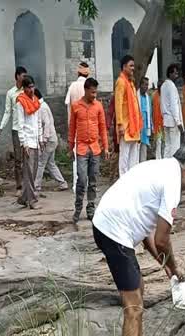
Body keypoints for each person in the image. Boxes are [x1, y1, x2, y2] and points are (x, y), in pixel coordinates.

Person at [92, 145, 185, 336]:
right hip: (113, 231)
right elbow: (163, 238)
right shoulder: (174, 181)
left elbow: (146, 233)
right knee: (133, 308)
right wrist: (176, 269)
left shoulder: (159, 167)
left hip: (112, 224)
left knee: (139, 286)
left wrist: (163, 263)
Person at [69, 77, 109, 223]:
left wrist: (106, 148)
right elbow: (72, 128)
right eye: (92, 92)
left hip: (95, 148)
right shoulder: (76, 106)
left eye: (96, 92)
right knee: (82, 179)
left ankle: (91, 208)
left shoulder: (98, 106)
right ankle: (78, 207)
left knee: (93, 180)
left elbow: (103, 128)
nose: (94, 95)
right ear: (86, 90)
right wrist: (69, 148)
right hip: (81, 148)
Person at [0, 66, 27, 196]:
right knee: (18, 159)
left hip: (28, 128)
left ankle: (29, 185)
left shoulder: (28, 91)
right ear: (17, 76)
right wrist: (0, 128)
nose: (24, 78)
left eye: (26, 76)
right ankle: (19, 187)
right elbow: (7, 112)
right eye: (23, 76)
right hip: (16, 129)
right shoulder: (11, 93)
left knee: (28, 158)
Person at [15, 76, 42, 209]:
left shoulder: (36, 101)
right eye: (29, 87)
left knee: (34, 170)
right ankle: (32, 200)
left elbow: (37, 121)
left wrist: (40, 139)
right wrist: (23, 143)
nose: (31, 89)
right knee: (29, 173)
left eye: (33, 87)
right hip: (27, 142)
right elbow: (20, 125)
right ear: (24, 88)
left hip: (36, 140)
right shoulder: (20, 102)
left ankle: (24, 198)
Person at [34, 89, 68, 192]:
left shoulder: (42, 108)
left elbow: (47, 124)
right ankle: (62, 183)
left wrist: (44, 140)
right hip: (52, 139)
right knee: (50, 163)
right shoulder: (43, 105)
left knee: (41, 163)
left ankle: (36, 186)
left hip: (48, 140)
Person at [115, 55, 142, 175]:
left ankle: (132, 185)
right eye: (130, 66)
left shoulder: (131, 83)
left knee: (133, 161)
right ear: (124, 67)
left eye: (133, 66)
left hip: (134, 126)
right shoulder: (121, 82)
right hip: (125, 127)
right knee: (124, 160)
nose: (133, 68)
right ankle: (123, 185)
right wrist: (120, 124)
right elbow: (118, 104)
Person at [66, 62, 90, 192]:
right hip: (88, 127)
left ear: (78, 73)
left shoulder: (72, 86)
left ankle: (77, 185)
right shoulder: (89, 86)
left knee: (77, 157)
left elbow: (67, 104)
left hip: (75, 128)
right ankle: (87, 184)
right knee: (89, 157)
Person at [161, 64, 184, 157]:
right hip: (173, 121)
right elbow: (174, 105)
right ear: (170, 73)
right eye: (175, 73)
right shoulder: (171, 86)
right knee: (174, 148)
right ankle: (172, 168)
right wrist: (178, 122)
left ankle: (165, 168)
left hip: (166, 120)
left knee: (167, 147)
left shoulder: (163, 86)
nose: (177, 75)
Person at [138, 76, 153, 162]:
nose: (146, 87)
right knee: (135, 153)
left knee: (143, 152)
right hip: (137, 128)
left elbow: (150, 114)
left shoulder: (148, 98)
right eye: (145, 84)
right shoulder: (136, 97)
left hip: (145, 129)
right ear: (140, 85)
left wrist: (151, 126)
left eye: (147, 85)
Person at [152, 84, 164, 159]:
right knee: (158, 142)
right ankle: (158, 158)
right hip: (157, 123)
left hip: (164, 123)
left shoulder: (165, 94)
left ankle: (164, 158)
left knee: (164, 142)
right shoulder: (154, 95)